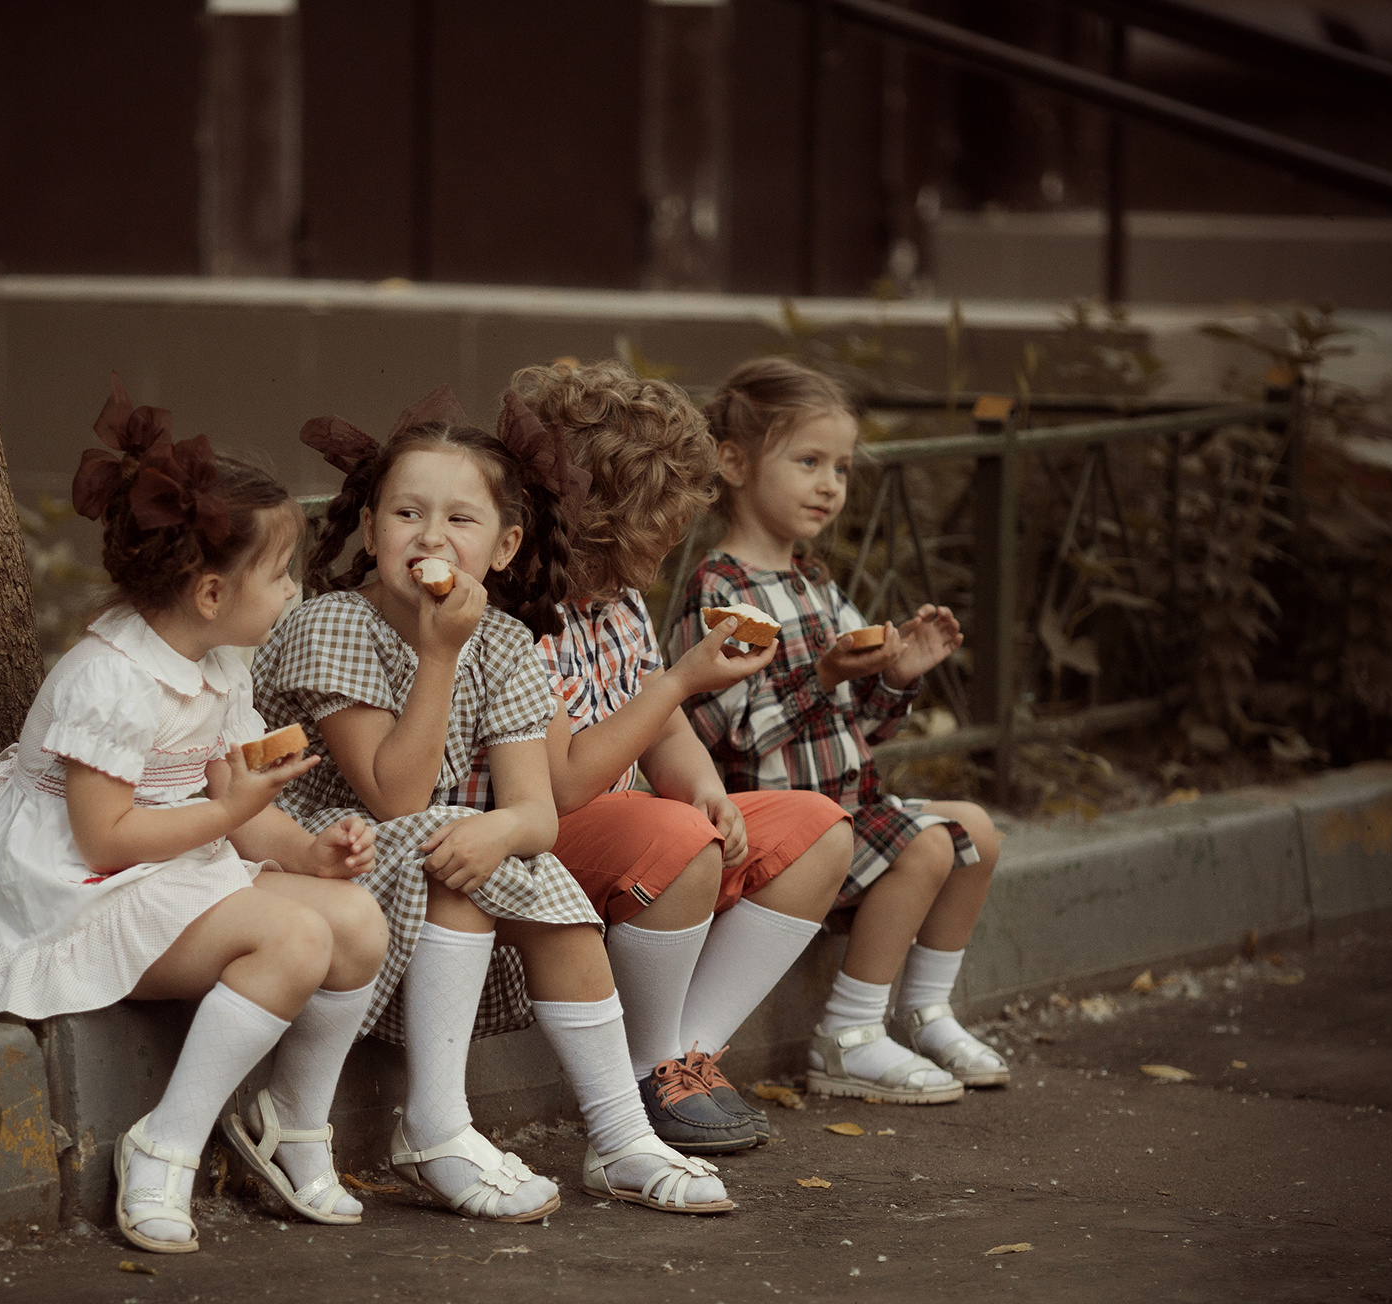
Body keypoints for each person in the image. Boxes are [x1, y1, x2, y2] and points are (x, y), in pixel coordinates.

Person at [253, 387, 731, 1221]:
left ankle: (620, 1135)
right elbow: (393, 794)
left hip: (420, 875)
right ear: (369, 529)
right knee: (452, 835)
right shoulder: (333, 625)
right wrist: (438, 657)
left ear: (505, 546)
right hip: (315, 861)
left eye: (461, 521)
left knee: (504, 847)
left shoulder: (507, 641)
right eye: (406, 512)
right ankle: (436, 1126)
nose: (431, 537)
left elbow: (537, 812)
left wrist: (502, 827)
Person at [0, 379, 388, 1256]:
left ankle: (293, 1125)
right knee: (295, 941)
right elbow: (106, 834)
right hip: (84, 886)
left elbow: (240, 814)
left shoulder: (219, 663)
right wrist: (229, 810)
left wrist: (307, 849)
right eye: (280, 574)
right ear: (213, 594)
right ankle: (167, 1142)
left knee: (359, 923)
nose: (295, 592)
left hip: (166, 858)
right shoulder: (108, 680)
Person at [508, 359, 851, 1154]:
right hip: (547, 832)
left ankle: (683, 1056)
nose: (678, 531)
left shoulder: (623, 598)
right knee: (679, 843)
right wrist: (684, 677)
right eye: (663, 517)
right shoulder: (526, 608)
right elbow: (561, 785)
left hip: (639, 828)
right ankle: (648, 1070)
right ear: (607, 517)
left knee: (822, 829)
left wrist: (703, 787)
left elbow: (663, 731)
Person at [671, 357, 1007, 1106]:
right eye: (809, 461)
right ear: (733, 463)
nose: (830, 484)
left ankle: (925, 1011)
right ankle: (848, 1035)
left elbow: (868, 729)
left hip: (847, 812)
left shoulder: (816, 584)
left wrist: (898, 673)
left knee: (978, 832)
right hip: (776, 831)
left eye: (843, 468)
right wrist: (818, 677)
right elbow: (728, 734)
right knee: (924, 843)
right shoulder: (719, 588)